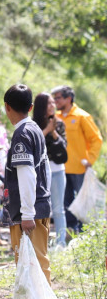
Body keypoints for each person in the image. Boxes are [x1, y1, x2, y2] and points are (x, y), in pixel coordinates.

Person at [3, 84, 52, 284]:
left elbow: (27, 174)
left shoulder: (22, 134)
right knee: (33, 262)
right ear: (31, 107)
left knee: (34, 263)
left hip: (29, 212)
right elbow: (45, 170)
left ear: (6, 107)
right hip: (39, 205)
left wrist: (28, 214)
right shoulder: (35, 130)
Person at [51, 85, 103, 234]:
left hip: (80, 167)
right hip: (60, 167)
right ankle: (70, 230)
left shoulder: (82, 116)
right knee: (64, 201)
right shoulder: (55, 117)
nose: (55, 101)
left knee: (82, 200)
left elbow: (96, 139)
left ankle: (84, 231)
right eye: (54, 98)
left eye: (58, 98)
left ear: (69, 98)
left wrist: (90, 159)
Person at [33, 92, 68, 248]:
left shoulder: (59, 123)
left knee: (58, 208)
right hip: (40, 172)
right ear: (42, 106)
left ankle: (61, 243)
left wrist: (53, 131)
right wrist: (47, 129)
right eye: (49, 103)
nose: (53, 105)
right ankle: (42, 241)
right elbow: (35, 145)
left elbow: (64, 147)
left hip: (58, 170)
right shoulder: (34, 125)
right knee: (41, 207)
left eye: (54, 102)